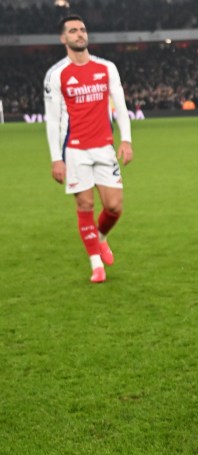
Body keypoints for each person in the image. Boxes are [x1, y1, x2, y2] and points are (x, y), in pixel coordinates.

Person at [44, 15, 133, 283]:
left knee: (114, 207)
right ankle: (96, 264)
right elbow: (53, 120)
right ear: (64, 39)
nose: (79, 34)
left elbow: (121, 107)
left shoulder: (107, 68)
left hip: (104, 148)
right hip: (75, 150)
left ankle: (101, 238)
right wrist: (56, 159)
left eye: (82, 30)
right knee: (85, 204)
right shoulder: (57, 74)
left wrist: (126, 140)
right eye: (73, 31)